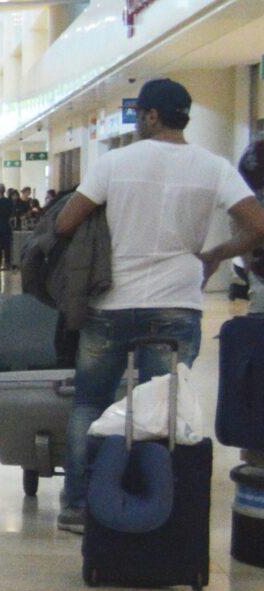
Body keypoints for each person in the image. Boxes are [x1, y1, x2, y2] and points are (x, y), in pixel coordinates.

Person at [52, 77, 264, 532]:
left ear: (151, 115)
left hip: (112, 302)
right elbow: (258, 225)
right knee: (162, 407)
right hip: (177, 304)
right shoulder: (215, 167)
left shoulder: (116, 162)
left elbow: (67, 222)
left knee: (89, 402)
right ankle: (158, 504)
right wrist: (216, 255)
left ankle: (78, 506)